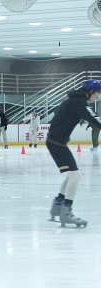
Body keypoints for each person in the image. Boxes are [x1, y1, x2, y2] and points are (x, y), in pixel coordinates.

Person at [47, 80, 101, 228]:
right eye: (97, 94)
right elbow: (95, 119)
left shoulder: (72, 99)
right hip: (57, 143)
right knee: (76, 176)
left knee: (72, 175)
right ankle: (66, 212)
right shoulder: (79, 102)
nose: (97, 97)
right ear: (90, 92)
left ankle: (57, 206)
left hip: (56, 142)